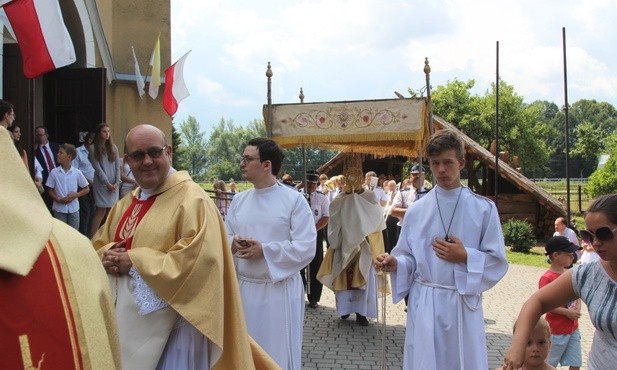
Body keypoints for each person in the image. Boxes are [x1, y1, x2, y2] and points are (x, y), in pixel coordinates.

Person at [92, 125, 277, 370]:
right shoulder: (125, 204)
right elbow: (99, 245)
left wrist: (135, 261)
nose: (147, 161)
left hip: (179, 332)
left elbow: (200, 261)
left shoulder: (193, 200)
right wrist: (106, 256)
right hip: (128, 328)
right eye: (138, 155)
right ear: (126, 161)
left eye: (154, 152)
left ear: (168, 152)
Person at [375, 129, 509, 369]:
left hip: (461, 302)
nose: (441, 170)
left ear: (462, 163)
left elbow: (498, 261)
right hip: (425, 301)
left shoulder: (483, 209)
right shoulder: (417, 210)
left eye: (448, 162)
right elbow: (407, 255)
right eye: (435, 163)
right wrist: (395, 263)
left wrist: (465, 255)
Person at [0, 126, 120, 369]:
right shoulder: (77, 251)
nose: (58, 156)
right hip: (60, 212)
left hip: (70, 210)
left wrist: (74, 196)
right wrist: (57, 198)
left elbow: (86, 185)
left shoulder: (75, 247)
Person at [225, 137, 316, 370]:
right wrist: (233, 244)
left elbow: (306, 247)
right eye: (242, 158)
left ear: (267, 165)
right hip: (244, 288)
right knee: (244, 355)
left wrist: (264, 250)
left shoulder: (294, 200)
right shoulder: (239, 200)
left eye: (248, 159)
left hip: (278, 291)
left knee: (275, 355)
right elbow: (224, 236)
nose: (241, 163)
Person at [503, 194, 617, 370]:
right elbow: (536, 301)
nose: (595, 242)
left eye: (603, 234)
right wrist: (518, 344)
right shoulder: (588, 274)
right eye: (588, 235)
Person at [540, 236, 582, 370]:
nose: (573, 257)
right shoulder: (547, 278)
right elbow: (545, 303)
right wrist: (566, 312)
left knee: (576, 362)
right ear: (556, 255)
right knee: (549, 363)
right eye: (569, 255)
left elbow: (577, 295)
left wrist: (576, 309)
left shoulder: (570, 274)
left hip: (573, 328)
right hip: (556, 330)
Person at [301, 172, 330, 309]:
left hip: (315, 234)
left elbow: (325, 217)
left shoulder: (322, 198)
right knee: (299, 266)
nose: (312, 186)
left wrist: (313, 230)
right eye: (309, 183)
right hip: (299, 234)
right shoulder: (298, 195)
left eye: (314, 183)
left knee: (316, 265)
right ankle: (300, 294)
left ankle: (314, 298)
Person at [46, 144, 90, 230]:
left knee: (74, 232)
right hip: (59, 209)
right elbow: (50, 190)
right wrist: (57, 199)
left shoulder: (77, 172)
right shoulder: (54, 172)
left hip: (73, 208)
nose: (58, 154)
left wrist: (75, 195)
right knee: (61, 232)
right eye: (58, 152)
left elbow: (86, 188)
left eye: (61, 153)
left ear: (69, 157)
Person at [90, 123, 121, 237]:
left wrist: (117, 182)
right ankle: (93, 237)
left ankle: (108, 236)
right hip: (102, 184)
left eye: (108, 131)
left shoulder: (114, 148)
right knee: (101, 211)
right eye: (104, 131)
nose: (107, 134)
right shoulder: (93, 148)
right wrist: (106, 183)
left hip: (114, 183)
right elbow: (97, 168)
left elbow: (118, 166)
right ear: (99, 133)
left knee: (111, 212)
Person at [73, 132, 96, 236]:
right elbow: (76, 170)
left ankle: (90, 235)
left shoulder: (96, 152)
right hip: (82, 186)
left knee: (94, 211)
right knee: (85, 211)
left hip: (96, 186)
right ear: (90, 141)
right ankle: (83, 235)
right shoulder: (78, 152)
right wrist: (87, 181)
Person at [34, 125, 60, 211]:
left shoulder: (56, 147)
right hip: (45, 181)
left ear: (46, 136)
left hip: (58, 180)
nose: (38, 137)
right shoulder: (35, 149)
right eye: (37, 135)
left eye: (40, 135)